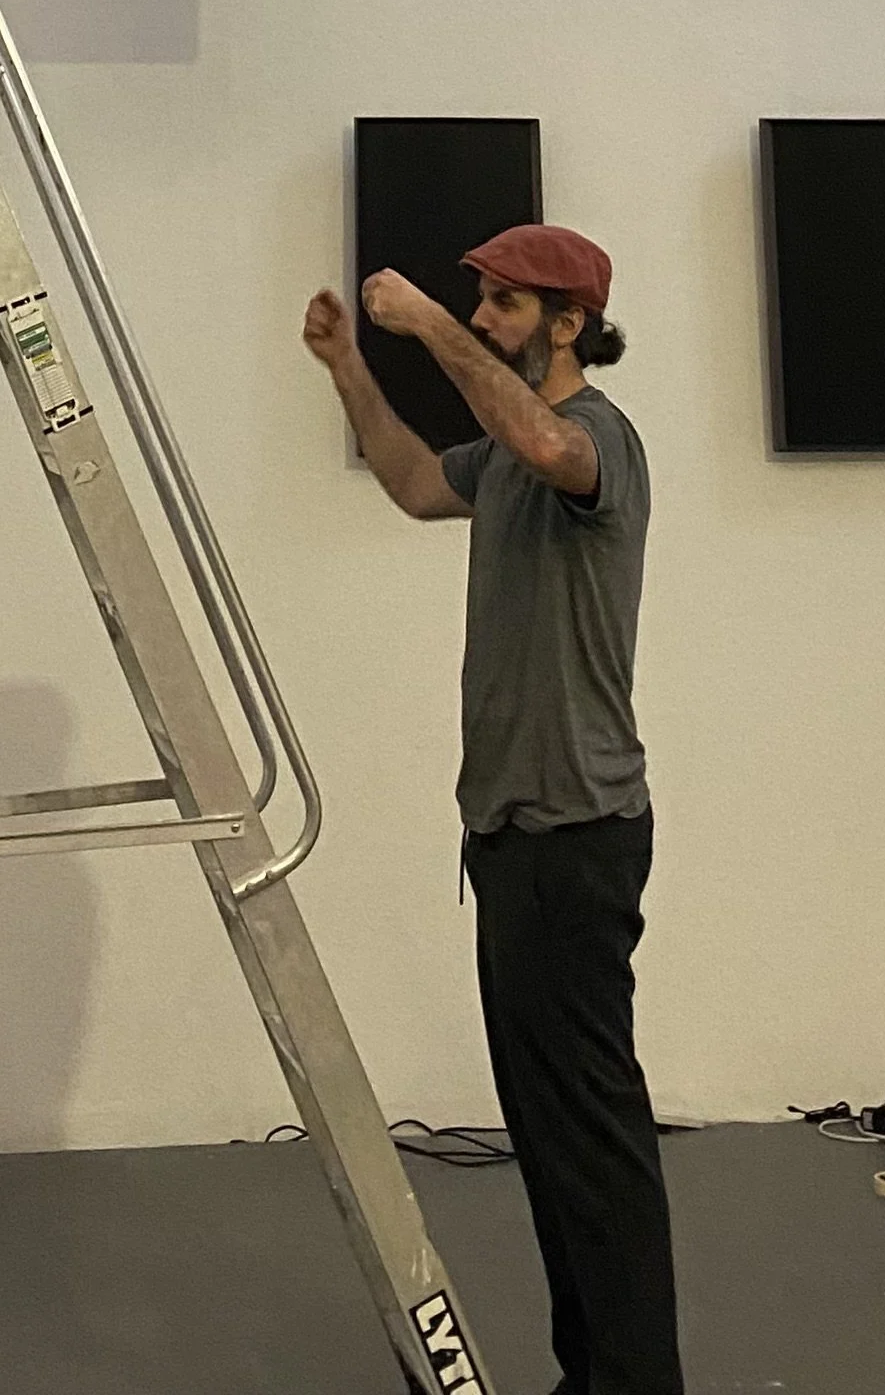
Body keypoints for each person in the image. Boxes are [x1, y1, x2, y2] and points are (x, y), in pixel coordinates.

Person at [302, 223, 682, 1395]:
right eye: (475, 302)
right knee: (553, 1141)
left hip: (580, 837)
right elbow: (419, 485)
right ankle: (596, 1374)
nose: (480, 320)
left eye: (503, 306)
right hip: (513, 838)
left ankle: (632, 1384)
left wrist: (416, 323)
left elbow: (546, 438)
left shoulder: (594, 443)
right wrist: (353, 373)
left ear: (570, 324)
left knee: (594, 1142)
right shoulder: (508, 458)